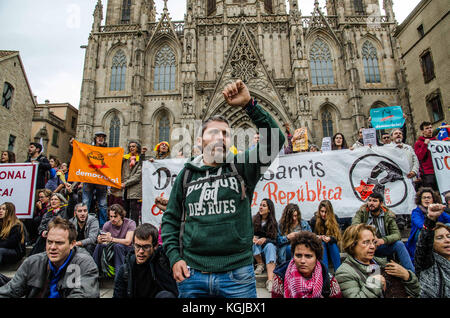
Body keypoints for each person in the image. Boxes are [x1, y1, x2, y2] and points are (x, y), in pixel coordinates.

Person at [161, 79, 285, 298]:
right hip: (193, 275)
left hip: (237, 275)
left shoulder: (242, 167)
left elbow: (275, 141)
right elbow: (171, 220)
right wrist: (174, 257)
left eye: (226, 134)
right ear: (199, 141)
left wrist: (249, 105)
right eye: (213, 133)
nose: (220, 137)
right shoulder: (187, 174)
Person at [0, 216, 100, 298]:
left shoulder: (83, 263)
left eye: (59, 243)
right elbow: (9, 292)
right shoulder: (33, 262)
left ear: (72, 244)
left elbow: (83, 295)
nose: (52, 247)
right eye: (49, 242)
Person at [335, 223, 420, 298]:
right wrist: (374, 283)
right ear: (352, 245)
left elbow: (416, 292)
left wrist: (407, 276)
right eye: (366, 242)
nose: (372, 246)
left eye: (373, 242)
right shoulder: (344, 272)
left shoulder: (381, 263)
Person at [352, 192, 415, 272]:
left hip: (380, 246)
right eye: (370, 200)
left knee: (399, 244)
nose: (371, 203)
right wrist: (369, 235)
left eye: (375, 201)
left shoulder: (388, 215)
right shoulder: (362, 212)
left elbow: (397, 235)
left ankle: (411, 274)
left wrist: (383, 240)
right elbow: (354, 226)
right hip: (365, 245)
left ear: (381, 203)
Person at [113, 223, 178, 298]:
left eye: (146, 247)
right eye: (137, 246)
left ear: (155, 246)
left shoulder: (163, 263)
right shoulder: (125, 270)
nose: (141, 251)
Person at [272, 231, 342, 298]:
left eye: (308, 256)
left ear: (317, 257)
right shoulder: (280, 278)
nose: (302, 261)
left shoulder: (329, 280)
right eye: (298, 255)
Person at [405, 188, 450, 263]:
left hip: (437, 235)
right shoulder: (416, 212)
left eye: (429, 197)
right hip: (421, 238)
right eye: (424, 198)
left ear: (433, 199)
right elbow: (420, 224)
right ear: (420, 200)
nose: (426, 199)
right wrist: (431, 220)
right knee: (421, 231)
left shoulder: (438, 210)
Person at [414, 203, 450, 297]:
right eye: (440, 238)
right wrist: (430, 219)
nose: (447, 240)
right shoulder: (427, 262)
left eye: (449, 236)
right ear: (431, 244)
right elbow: (423, 245)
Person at [93, 204, 136, 277]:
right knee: (99, 246)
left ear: (121, 216)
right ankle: (94, 271)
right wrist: (100, 240)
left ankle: (119, 275)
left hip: (127, 249)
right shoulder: (107, 224)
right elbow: (105, 242)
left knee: (118, 246)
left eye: (115, 216)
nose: (112, 219)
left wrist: (112, 239)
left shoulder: (130, 223)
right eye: (111, 216)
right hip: (112, 248)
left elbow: (128, 241)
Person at [82, 131, 109, 229]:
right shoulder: (88, 149)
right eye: (99, 137)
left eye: (102, 137)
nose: (100, 138)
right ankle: (84, 225)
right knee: (85, 203)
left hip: (101, 181)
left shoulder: (107, 150)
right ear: (95, 138)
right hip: (89, 179)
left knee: (102, 205)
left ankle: (103, 227)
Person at [252, 199, 279, 292]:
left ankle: (270, 280)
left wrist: (265, 239)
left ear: (269, 209)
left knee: (270, 246)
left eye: (264, 205)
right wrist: (253, 238)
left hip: (267, 250)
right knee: (253, 243)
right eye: (260, 205)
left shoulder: (273, 223)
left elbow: (276, 240)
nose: (260, 207)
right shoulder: (254, 219)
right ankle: (260, 265)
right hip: (256, 252)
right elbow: (247, 234)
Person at [310, 200, 342, 271]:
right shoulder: (314, 220)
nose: (323, 214)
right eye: (322, 211)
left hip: (331, 245)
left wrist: (330, 238)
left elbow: (337, 237)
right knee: (322, 243)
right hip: (319, 246)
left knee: (332, 244)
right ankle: (325, 273)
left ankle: (339, 271)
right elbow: (311, 236)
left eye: (326, 212)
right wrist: (317, 237)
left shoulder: (335, 218)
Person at [121, 140, 143, 225]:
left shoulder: (141, 159)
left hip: (135, 190)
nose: (131, 148)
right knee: (125, 211)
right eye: (130, 146)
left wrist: (125, 183)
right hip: (125, 190)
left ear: (138, 148)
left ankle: (134, 230)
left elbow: (138, 176)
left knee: (134, 212)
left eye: (133, 146)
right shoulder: (125, 159)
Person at [414, 121, 438, 191]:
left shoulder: (437, 141)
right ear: (422, 131)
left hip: (438, 171)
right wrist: (425, 145)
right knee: (431, 192)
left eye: (430, 128)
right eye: (427, 128)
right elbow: (419, 157)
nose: (429, 130)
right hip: (427, 173)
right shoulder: (418, 143)